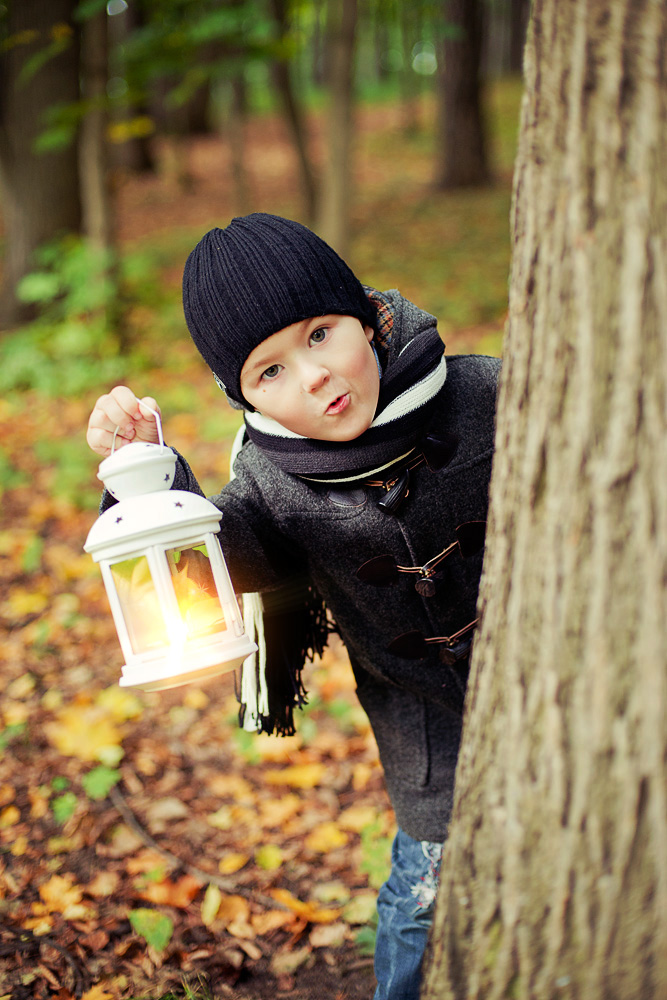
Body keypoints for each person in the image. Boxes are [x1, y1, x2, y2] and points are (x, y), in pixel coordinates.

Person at [87, 213, 501, 1000]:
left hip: (561, 687)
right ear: (240, 394)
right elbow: (220, 554)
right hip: (427, 723)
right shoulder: (273, 481)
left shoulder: (482, 393)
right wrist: (146, 475)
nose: (312, 377)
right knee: (423, 897)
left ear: (369, 320)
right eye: (267, 372)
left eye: (319, 334)